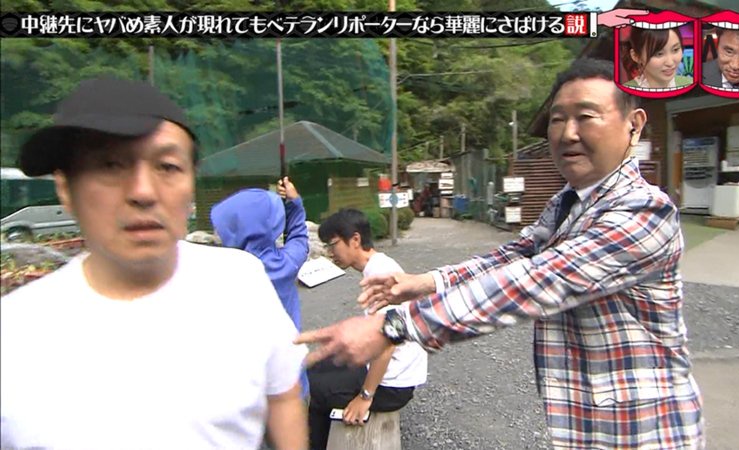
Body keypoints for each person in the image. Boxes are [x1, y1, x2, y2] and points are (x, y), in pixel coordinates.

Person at [296, 58, 704, 449]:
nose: (567, 133)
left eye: (586, 116)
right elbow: (514, 257)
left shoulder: (645, 211)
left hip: (644, 428)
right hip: (589, 422)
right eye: (557, 119)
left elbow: (537, 280)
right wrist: (426, 282)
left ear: (634, 125)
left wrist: (393, 326)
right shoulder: (568, 202)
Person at [0, 77, 308, 450]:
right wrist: (296, 206)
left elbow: (284, 395)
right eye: (109, 165)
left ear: (191, 182)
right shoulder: (13, 332)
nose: (143, 192)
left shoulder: (241, 280)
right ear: (65, 188)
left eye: (167, 166)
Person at [307, 208, 428, 450]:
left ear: (355, 239)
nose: (330, 253)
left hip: (392, 386)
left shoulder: (382, 275)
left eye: (333, 244)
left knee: (315, 388)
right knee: (318, 366)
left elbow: (388, 344)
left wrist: (365, 397)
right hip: (391, 372)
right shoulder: (379, 265)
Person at [211, 181, 311, 398]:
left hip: (241, 388)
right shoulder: (284, 265)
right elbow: (299, 238)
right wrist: (294, 203)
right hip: (288, 382)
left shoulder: (218, 271)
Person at [622, 26, 693, 89]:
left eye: (675, 50)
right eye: (659, 54)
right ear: (636, 56)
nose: (670, 63)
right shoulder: (624, 94)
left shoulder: (691, 84)